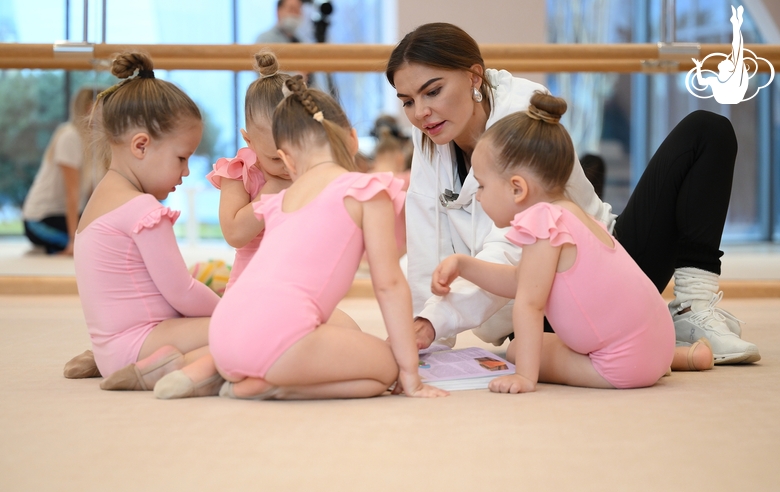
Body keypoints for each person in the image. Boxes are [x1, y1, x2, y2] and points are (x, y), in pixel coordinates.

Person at [385, 22, 760, 365]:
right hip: (536, 307)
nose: (421, 113)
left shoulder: (522, 111)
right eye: (408, 101)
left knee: (707, 129)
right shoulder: (429, 136)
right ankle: (655, 345)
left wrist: (432, 322)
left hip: (606, 273)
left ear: (474, 76)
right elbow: (424, 237)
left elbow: (511, 245)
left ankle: (691, 309)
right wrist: (424, 335)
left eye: (432, 91)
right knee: (525, 345)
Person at [153, 76, 448, 400]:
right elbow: (389, 285)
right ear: (352, 139)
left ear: (288, 159)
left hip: (223, 333)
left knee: (337, 340)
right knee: (386, 368)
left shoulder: (277, 202)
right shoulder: (367, 190)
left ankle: (236, 375)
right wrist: (410, 373)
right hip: (279, 342)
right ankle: (275, 386)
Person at [432, 93, 714, 394]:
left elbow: (529, 303)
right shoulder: (572, 213)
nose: (478, 196)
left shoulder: (542, 222)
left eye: (482, 185)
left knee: (517, 350)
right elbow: (521, 280)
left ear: (517, 188)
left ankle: (648, 364)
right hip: (658, 344)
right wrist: (464, 265)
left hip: (620, 366)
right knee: (556, 342)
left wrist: (525, 376)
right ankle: (678, 358)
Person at [72, 52, 221, 392]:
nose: (186, 172)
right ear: (141, 145)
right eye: (181, 158)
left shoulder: (99, 202)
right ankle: (161, 368)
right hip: (141, 344)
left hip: (112, 348)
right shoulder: (142, 210)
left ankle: (106, 361)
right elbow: (182, 292)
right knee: (246, 330)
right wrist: (229, 309)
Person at [206, 49, 293, 292]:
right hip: (250, 289)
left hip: (298, 286)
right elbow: (234, 234)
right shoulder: (240, 173)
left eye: (296, 153)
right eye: (275, 158)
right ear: (249, 141)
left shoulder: (309, 172)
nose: (288, 166)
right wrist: (271, 191)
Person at [22, 87, 104, 255]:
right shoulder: (70, 136)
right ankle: (55, 246)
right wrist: (74, 240)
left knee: (103, 240)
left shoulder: (94, 142)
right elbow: (71, 193)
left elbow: (93, 194)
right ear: (89, 107)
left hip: (68, 214)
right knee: (89, 247)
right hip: (40, 219)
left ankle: (53, 246)